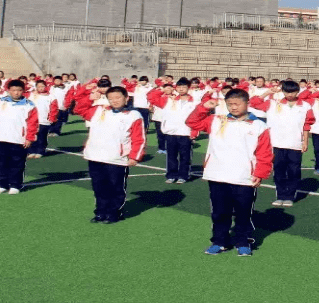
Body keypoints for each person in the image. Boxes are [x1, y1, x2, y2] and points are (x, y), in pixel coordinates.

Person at [185, 89, 273, 256]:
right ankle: (219, 241)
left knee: (243, 212)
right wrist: (203, 107)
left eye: (237, 104)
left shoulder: (259, 126)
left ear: (247, 104)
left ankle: (243, 241)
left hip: (244, 177)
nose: (233, 107)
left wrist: (260, 173)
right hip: (217, 174)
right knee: (219, 212)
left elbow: (265, 153)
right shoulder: (217, 120)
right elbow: (192, 123)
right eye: (230, 104)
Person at [75, 85, 146, 223]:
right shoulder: (99, 110)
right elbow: (79, 109)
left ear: (126, 98)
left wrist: (134, 156)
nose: (114, 101)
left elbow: (139, 138)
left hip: (116, 158)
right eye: (111, 98)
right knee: (98, 187)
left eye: (118, 97)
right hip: (95, 156)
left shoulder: (134, 115)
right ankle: (100, 212)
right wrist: (89, 98)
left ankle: (114, 213)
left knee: (115, 187)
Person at [250, 80, 315, 206]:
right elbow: (253, 103)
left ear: (298, 91)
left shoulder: (305, 106)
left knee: (294, 171)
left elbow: (307, 125)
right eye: (287, 92)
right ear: (283, 91)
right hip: (276, 143)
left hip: (295, 143)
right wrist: (267, 92)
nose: (290, 95)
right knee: (279, 171)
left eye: (293, 92)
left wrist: (305, 141)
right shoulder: (273, 103)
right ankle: (280, 195)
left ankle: (290, 195)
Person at [0, 80, 39, 194]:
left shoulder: (29, 105)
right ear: (8, 91)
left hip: (18, 139)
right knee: (0, 163)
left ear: (23, 91)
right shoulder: (0, 101)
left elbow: (32, 123)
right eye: (13, 90)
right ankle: (2, 184)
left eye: (19, 90)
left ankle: (15, 185)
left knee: (17, 163)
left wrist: (29, 138)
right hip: (0, 138)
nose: (16, 93)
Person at [147, 78, 204, 184]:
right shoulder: (169, 99)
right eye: (179, 87)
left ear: (188, 88)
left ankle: (184, 175)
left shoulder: (195, 102)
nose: (181, 89)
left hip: (186, 132)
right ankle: (171, 175)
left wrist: (195, 131)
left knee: (185, 156)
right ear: (176, 88)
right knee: (171, 155)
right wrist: (162, 89)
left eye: (184, 87)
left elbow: (198, 117)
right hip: (171, 132)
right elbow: (151, 97)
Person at [27, 80, 59, 159]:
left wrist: (52, 118)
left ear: (46, 86)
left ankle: (40, 151)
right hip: (33, 120)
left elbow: (54, 108)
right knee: (33, 136)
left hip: (44, 120)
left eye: (42, 86)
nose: (40, 88)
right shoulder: (32, 95)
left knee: (42, 136)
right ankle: (32, 151)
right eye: (38, 87)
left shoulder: (51, 96)